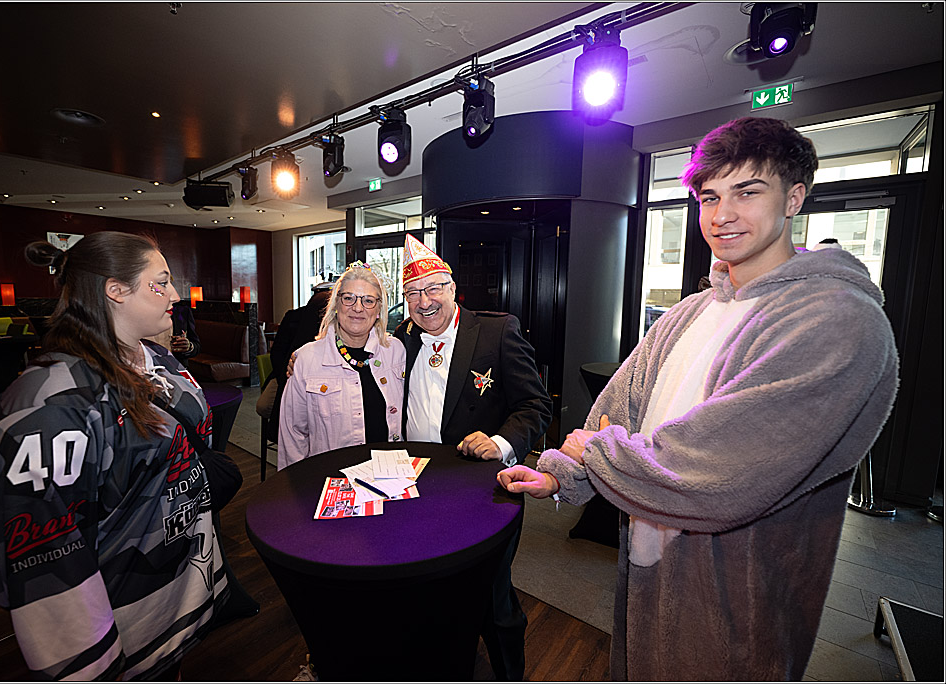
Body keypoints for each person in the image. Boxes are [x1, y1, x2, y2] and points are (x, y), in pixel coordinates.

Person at [498, 116, 900, 680]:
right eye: (710, 196)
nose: (722, 214)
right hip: (646, 568)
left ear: (795, 198)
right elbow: (617, 412)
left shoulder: (837, 321)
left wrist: (598, 452)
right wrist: (565, 473)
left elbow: (712, 476)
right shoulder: (689, 313)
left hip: (737, 599)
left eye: (747, 191)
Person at [0, 231, 235, 680]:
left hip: (171, 598)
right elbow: (49, 568)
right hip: (120, 628)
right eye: (160, 282)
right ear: (115, 290)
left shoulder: (158, 358)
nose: (174, 294)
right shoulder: (49, 409)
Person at [395, 234, 552, 681]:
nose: (424, 302)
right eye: (412, 294)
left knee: (493, 596)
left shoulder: (497, 329)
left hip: (483, 487)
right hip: (417, 485)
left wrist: (501, 444)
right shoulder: (400, 339)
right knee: (431, 587)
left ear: (451, 287)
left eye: (432, 289)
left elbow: (536, 406)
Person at [277, 262, 405, 469]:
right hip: (333, 479)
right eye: (348, 298)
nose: (357, 307)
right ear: (336, 305)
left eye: (369, 300)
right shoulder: (307, 359)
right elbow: (292, 434)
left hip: (390, 474)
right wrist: (295, 488)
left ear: (380, 309)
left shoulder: (397, 351)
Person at [256, 282, 333, 441]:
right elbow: (277, 353)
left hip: (324, 379)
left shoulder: (337, 321)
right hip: (286, 372)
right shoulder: (293, 317)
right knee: (264, 406)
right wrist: (285, 376)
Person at [169, 297, 201, 366]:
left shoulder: (182, 311)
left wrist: (189, 346)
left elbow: (197, 346)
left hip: (177, 367)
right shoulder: (144, 312)